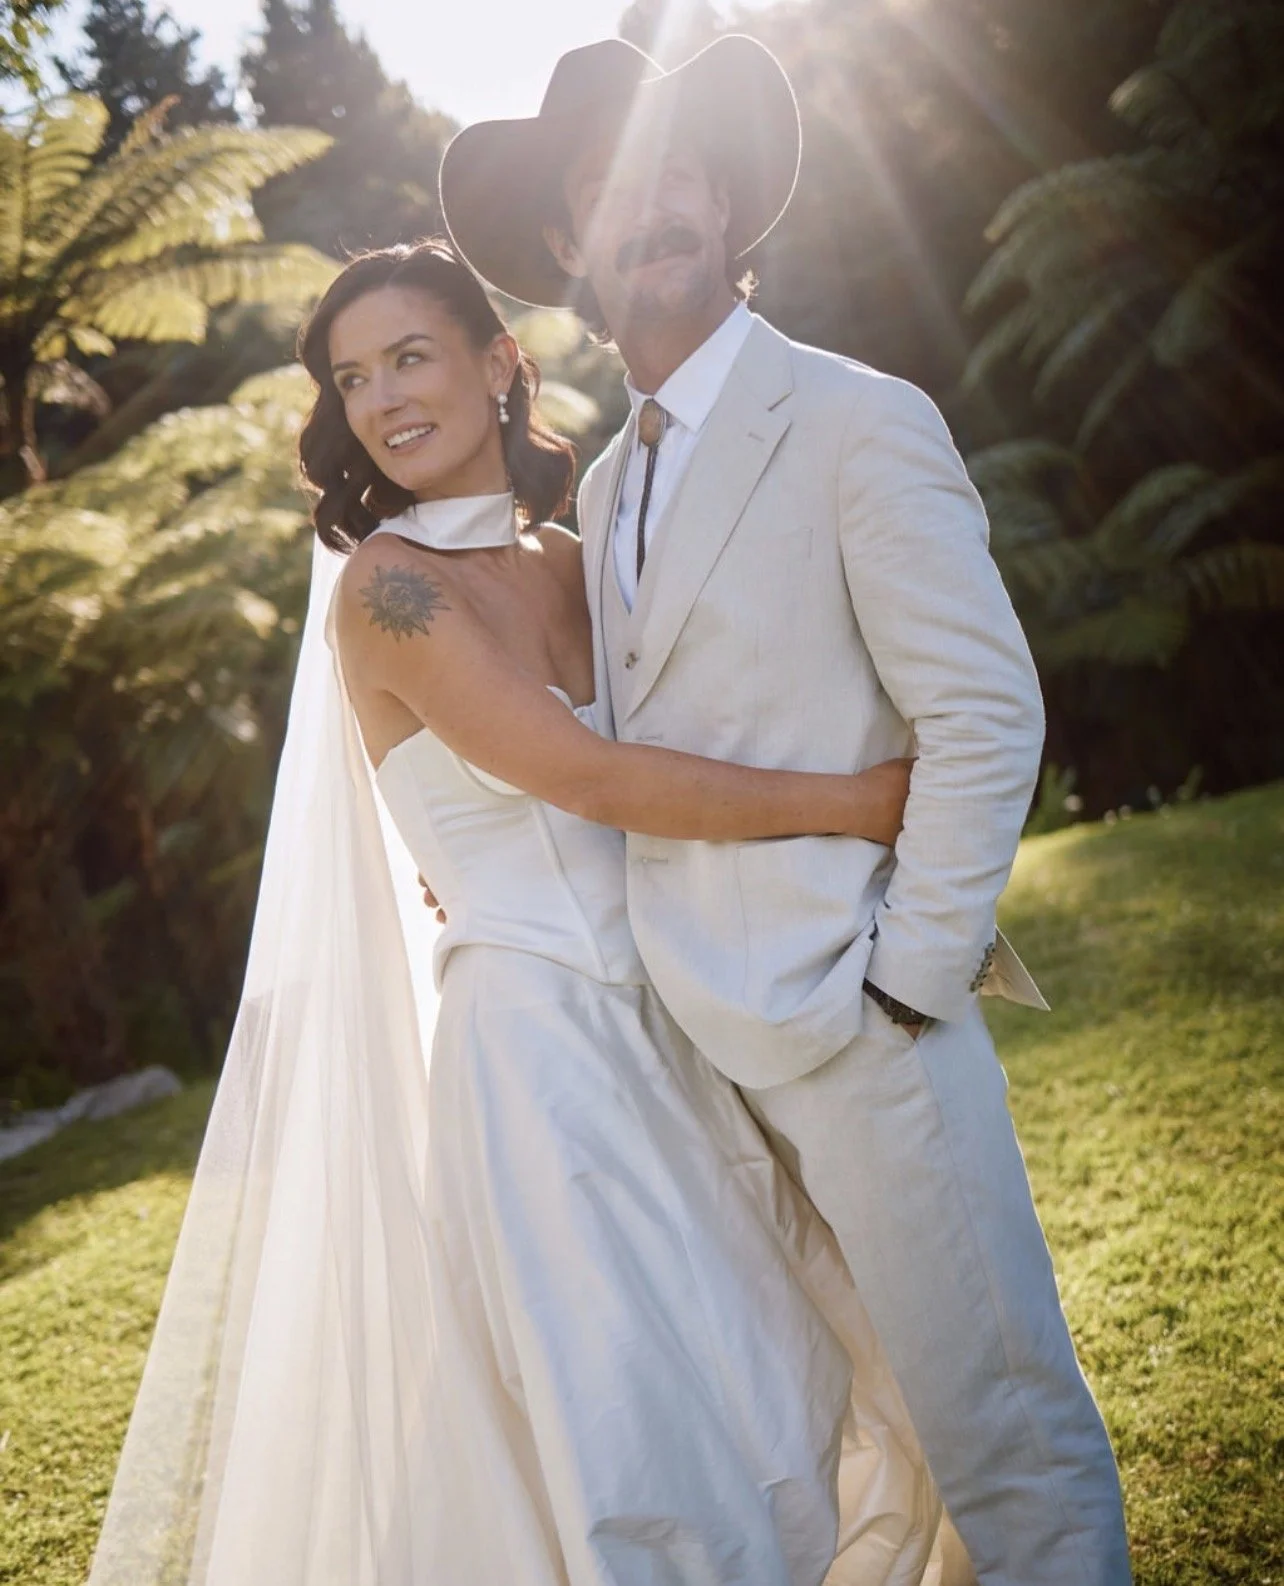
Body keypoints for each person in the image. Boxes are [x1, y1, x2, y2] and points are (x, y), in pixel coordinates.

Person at [86, 238, 972, 1586]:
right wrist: (857, 801)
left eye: (411, 356)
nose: (383, 399)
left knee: (800, 1384)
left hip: (697, 1021)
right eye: (352, 377)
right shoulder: (388, 593)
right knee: (643, 1451)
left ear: (500, 362)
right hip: (544, 1064)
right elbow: (590, 776)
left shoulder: (578, 556)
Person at [438, 32, 1132, 1586]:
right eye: (614, 188)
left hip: (862, 1029)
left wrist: (906, 977)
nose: (654, 203)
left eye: (682, 167)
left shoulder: (853, 419)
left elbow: (984, 709)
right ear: (570, 244)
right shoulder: (607, 492)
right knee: (872, 1447)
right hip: (701, 1073)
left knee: (1006, 1435)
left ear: (731, 201)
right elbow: (629, 750)